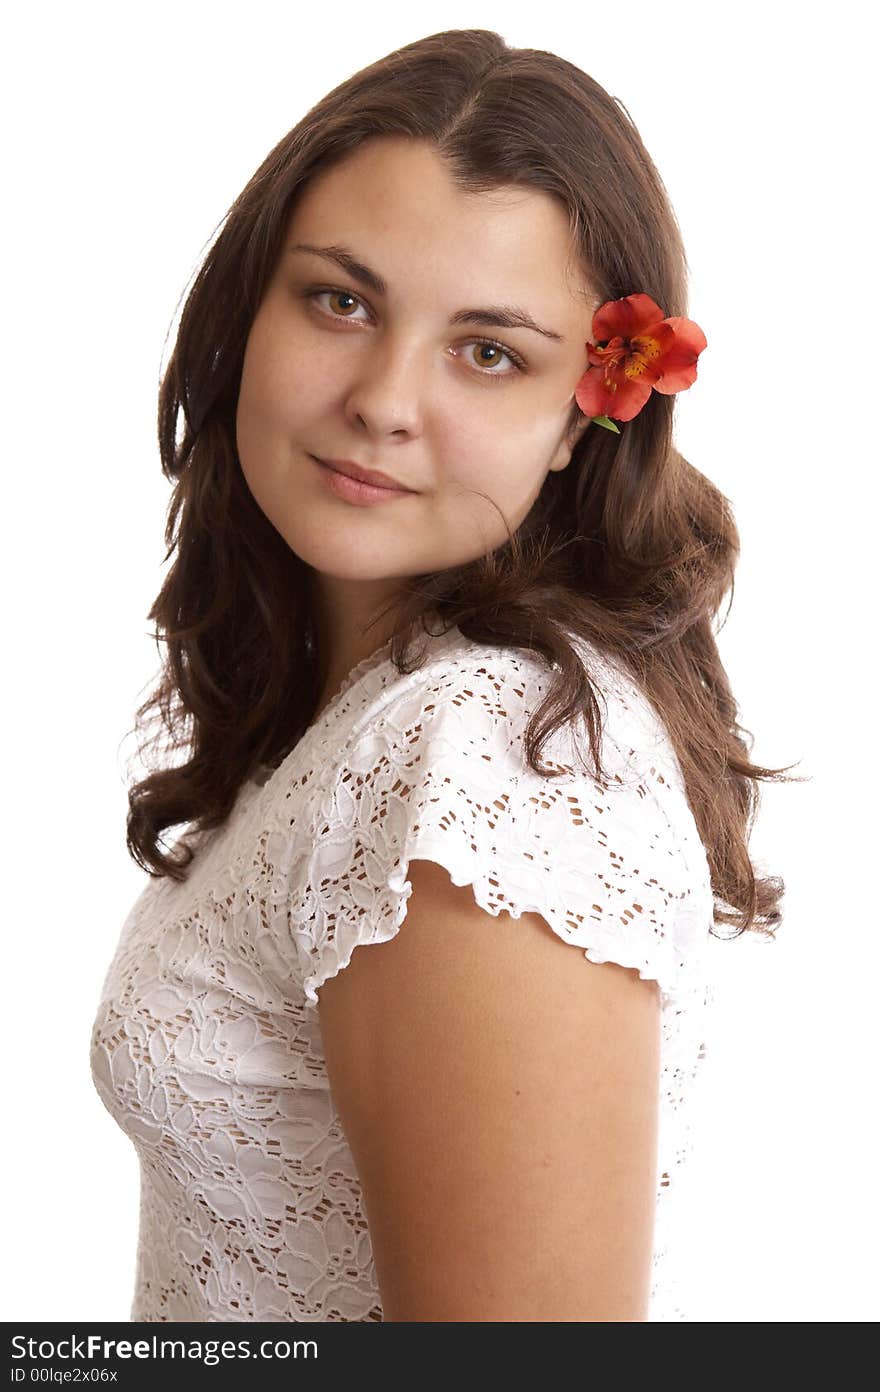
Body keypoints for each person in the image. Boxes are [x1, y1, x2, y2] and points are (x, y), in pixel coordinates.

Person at [89, 28, 797, 1322]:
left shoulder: (484, 759)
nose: (382, 399)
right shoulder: (372, 709)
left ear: (587, 415)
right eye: (341, 300)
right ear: (250, 304)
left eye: (487, 351)